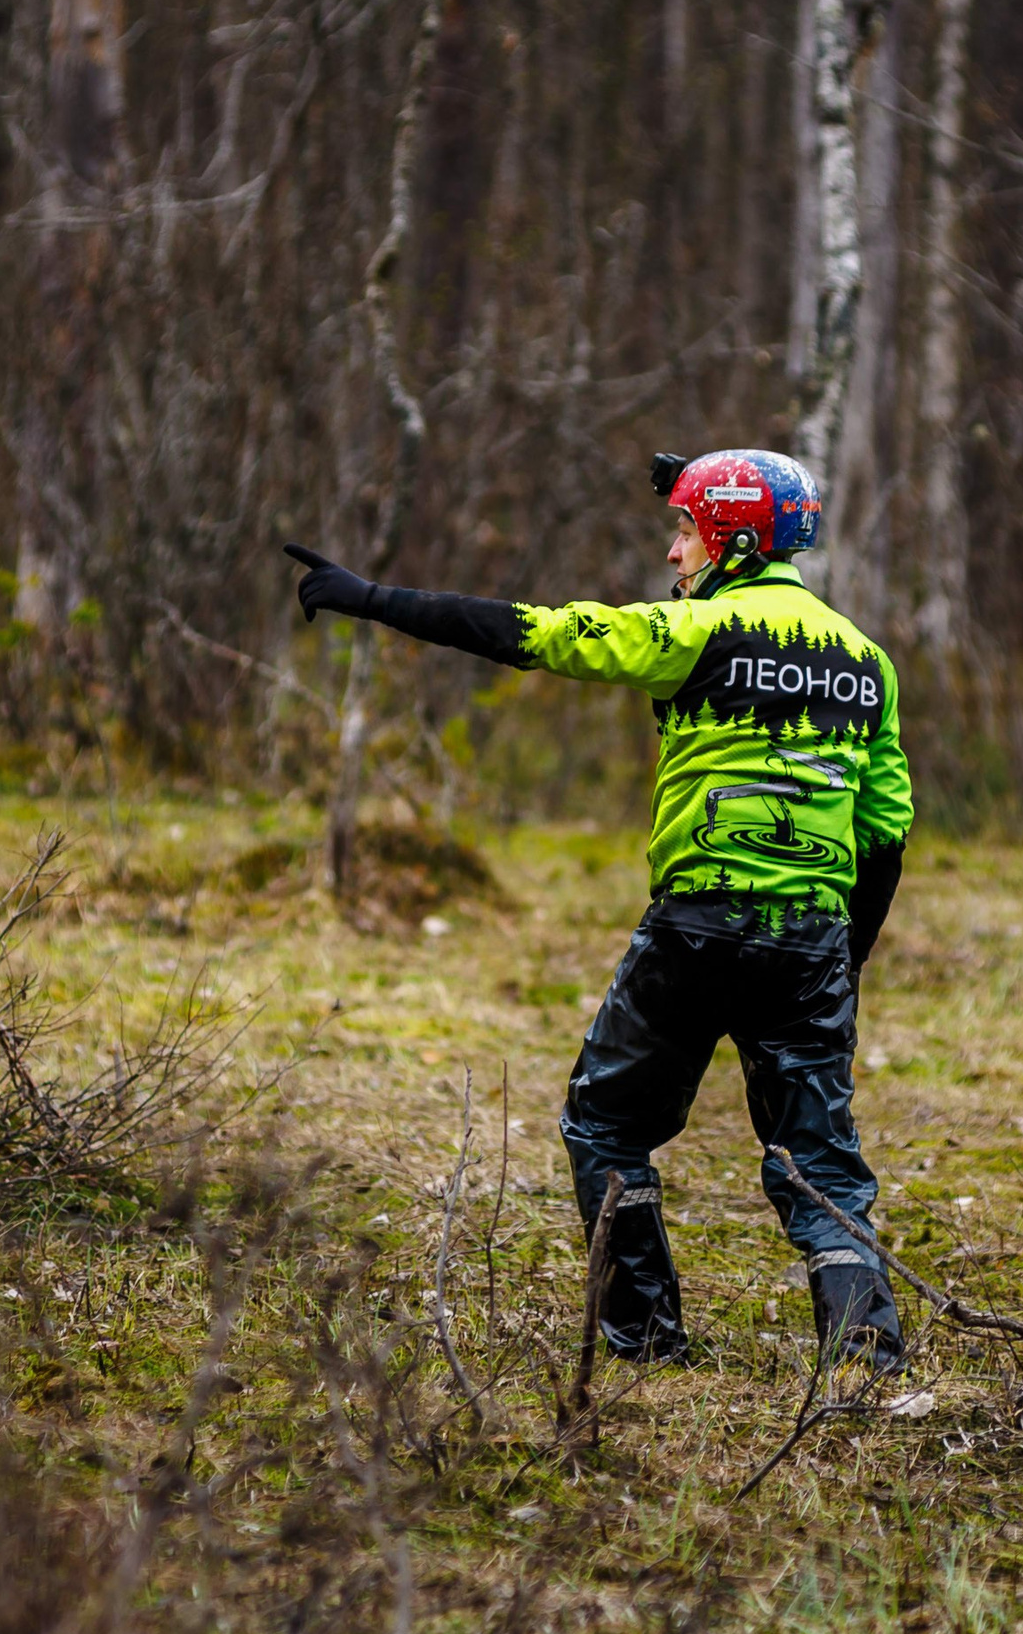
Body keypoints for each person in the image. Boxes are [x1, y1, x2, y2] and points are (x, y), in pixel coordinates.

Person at [284, 449, 912, 1370]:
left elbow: (530, 633)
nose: (672, 553)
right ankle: (865, 1357)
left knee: (607, 1123)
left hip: (695, 929)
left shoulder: (691, 630)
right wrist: (841, 964)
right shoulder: (869, 664)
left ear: (734, 543)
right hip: (811, 939)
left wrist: (371, 597)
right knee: (822, 1165)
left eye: (686, 532)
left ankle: (647, 1343)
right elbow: (885, 836)